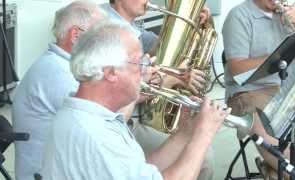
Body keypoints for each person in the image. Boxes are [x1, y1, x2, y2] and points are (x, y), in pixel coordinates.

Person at [41, 21, 231, 180]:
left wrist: (185, 133)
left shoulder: (93, 115)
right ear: (111, 72)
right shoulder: (95, 134)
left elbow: (145, 170)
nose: (148, 71)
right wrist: (204, 134)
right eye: (139, 62)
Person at [101, 1, 216, 179]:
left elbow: (159, 52)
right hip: (126, 123)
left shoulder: (132, 24)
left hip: (136, 114)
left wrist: (193, 25)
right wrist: (173, 78)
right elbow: (116, 95)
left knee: (199, 144)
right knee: (204, 157)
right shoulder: (105, 27)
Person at [12, 2, 106, 180]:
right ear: (76, 35)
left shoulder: (65, 65)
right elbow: (102, 131)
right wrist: (132, 92)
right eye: (101, 35)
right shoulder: (59, 72)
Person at [222, 0, 295, 178]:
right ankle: (280, 166)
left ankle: (277, 164)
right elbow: (237, 67)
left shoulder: (283, 15)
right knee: (259, 124)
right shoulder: (238, 16)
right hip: (248, 92)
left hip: (285, 89)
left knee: (281, 161)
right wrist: (279, 56)